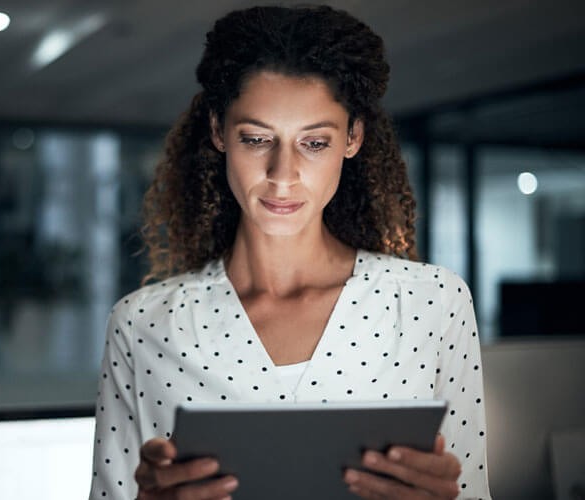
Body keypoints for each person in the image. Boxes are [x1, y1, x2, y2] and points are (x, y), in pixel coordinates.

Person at [90, 5, 490, 499]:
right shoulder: (142, 325)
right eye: (257, 139)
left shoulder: (432, 303)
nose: (283, 175)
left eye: (314, 143)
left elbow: (471, 489)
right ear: (218, 131)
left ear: (353, 137)